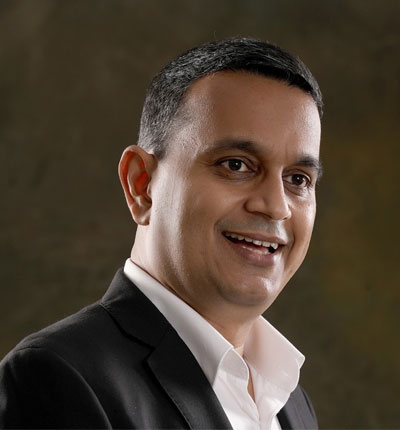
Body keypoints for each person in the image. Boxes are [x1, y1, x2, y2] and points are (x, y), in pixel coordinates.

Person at [0, 37, 323, 429]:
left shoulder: (291, 403)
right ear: (142, 184)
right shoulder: (57, 378)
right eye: (236, 165)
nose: (275, 206)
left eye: (298, 179)